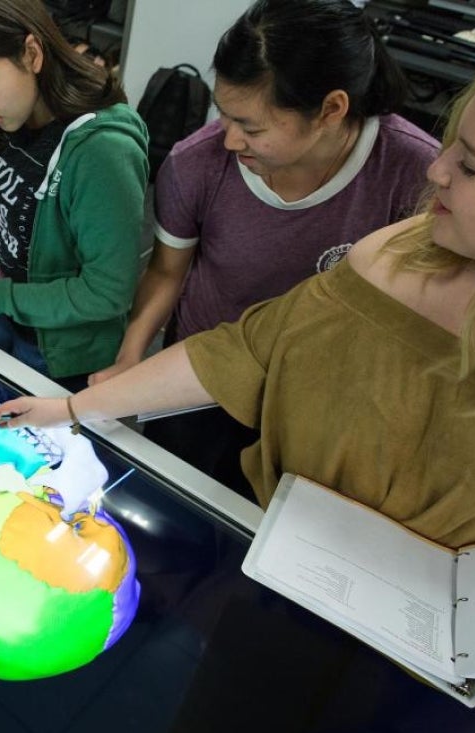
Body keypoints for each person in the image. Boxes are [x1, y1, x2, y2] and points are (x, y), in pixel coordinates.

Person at [0, 31, 475, 547]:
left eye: (471, 167)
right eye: (450, 145)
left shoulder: (399, 174)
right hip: (289, 556)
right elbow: (245, 348)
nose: (436, 171)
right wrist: (73, 408)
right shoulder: (393, 254)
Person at [91, 0, 439, 498]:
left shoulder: (414, 177)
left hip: (320, 396)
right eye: (223, 114)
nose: (230, 139)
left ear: (331, 109)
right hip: (200, 375)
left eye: (252, 127)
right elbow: (168, 273)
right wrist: (131, 358)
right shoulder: (197, 165)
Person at [0, 0, 149, 393]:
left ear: (31, 53)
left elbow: (106, 294)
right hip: (8, 312)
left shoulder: (103, 153)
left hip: (59, 349)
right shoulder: (16, 113)